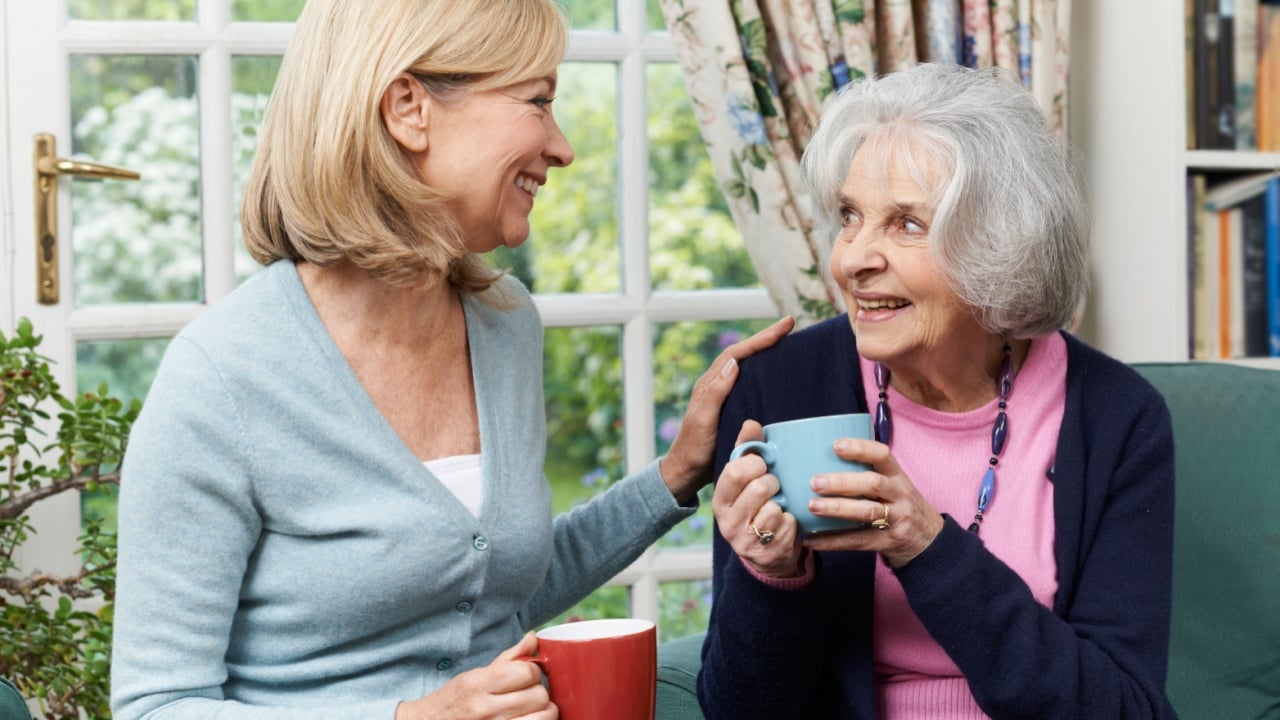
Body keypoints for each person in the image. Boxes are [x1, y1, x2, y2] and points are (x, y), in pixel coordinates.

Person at [108, 1, 792, 719]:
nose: (561, 148)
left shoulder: (503, 321)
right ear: (408, 108)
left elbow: (492, 582)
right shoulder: (223, 378)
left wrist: (679, 472)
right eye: (537, 101)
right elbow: (157, 706)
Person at [699, 63, 1178, 719]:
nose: (852, 259)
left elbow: (1125, 710)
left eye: (907, 225)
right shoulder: (778, 390)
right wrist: (770, 578)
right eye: (849, 216)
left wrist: (924, 544)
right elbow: (739, 712)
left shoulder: (1117, 418)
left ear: (1003, 245)